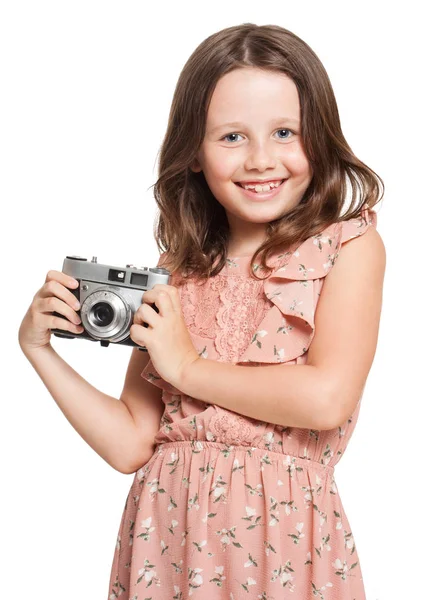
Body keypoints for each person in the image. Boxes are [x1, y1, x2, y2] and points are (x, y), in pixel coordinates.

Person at [18, 23, 386, 600]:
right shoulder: (179, 270)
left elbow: (326, 398)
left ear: (319, 136)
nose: (262, 159)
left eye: (285, 132)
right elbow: (131, 442)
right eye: (232, 137)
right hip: (166, 543)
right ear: (193, 152)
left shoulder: (346, 247)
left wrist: (187, 368)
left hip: (283, 541)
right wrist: (38, 351)